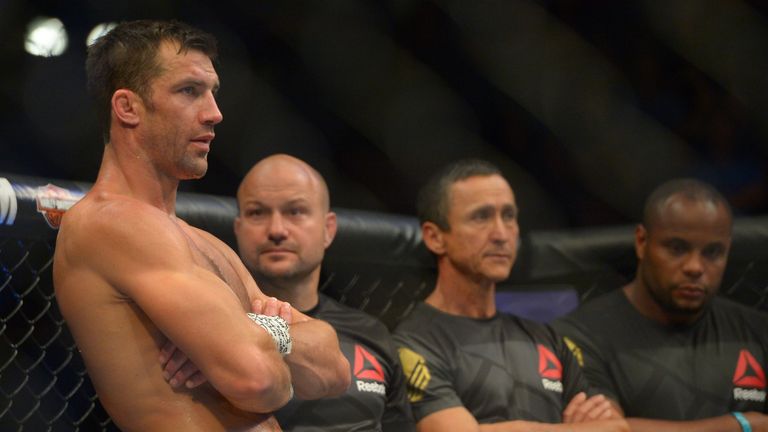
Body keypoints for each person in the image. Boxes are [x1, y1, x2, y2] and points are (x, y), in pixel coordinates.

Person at [53, 20, 349, 432]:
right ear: (128, 107)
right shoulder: (112, 224)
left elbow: (334, 370)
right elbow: (258, 379)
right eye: (189, 91)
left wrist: (259, 330)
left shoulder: (205, 243)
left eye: (213, 92)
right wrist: (259, 343)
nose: (215, 113)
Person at [392, 159, 629, 431]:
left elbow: (617, 427)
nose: (502, 234)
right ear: (435, 237)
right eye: (481, 217)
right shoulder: (413, 344)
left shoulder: (546, 338)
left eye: (508, 216)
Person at [552, 178, 768, 432]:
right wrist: (744, 424)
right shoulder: (579, 334)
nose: (695, 267)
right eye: (677, 248)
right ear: (642, 242)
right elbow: (609, 430)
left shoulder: (757, 330)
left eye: (712, 253)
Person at [231, 154, 414, 431]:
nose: (276, 230)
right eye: (257, 213)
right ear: (238, 228)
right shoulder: (218, 325)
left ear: (328, 229)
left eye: (295, 211)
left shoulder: (372, 333)